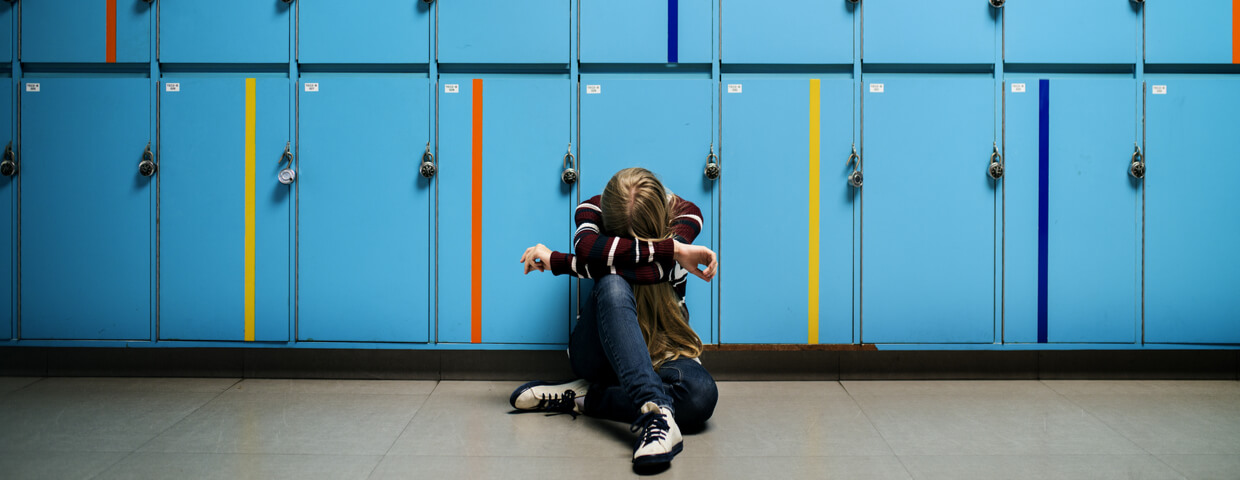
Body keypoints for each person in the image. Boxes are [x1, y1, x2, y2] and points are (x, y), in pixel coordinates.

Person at [510, 167, 720, 467]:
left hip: (662, 349)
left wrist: (561, 261)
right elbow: (587, 250)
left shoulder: (686, 215)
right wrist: (673, 249)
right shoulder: (590, 210)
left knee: (700, 396)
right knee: (611, 282)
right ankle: (656, 412)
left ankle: (584, 398)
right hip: (598, 353)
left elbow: (618, 265)